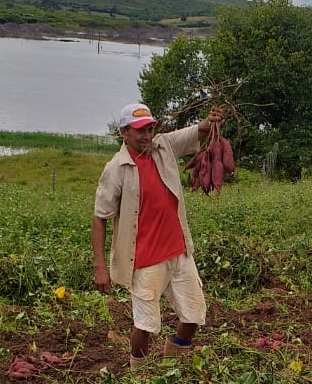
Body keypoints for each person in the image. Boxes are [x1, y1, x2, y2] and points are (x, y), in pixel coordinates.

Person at [92, 102, 225, 370]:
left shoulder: (164, 146)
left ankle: (170, 361)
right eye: (140, 131)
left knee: (194, 314)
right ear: (124, 133)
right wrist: (100, 267)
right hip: (144, 260)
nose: (146, 136)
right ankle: (137, 373)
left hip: (178, 251)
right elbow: (100, 217)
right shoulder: (117, 168)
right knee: (146, 325)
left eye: (150, 129)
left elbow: (198, 130)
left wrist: (212, 120)